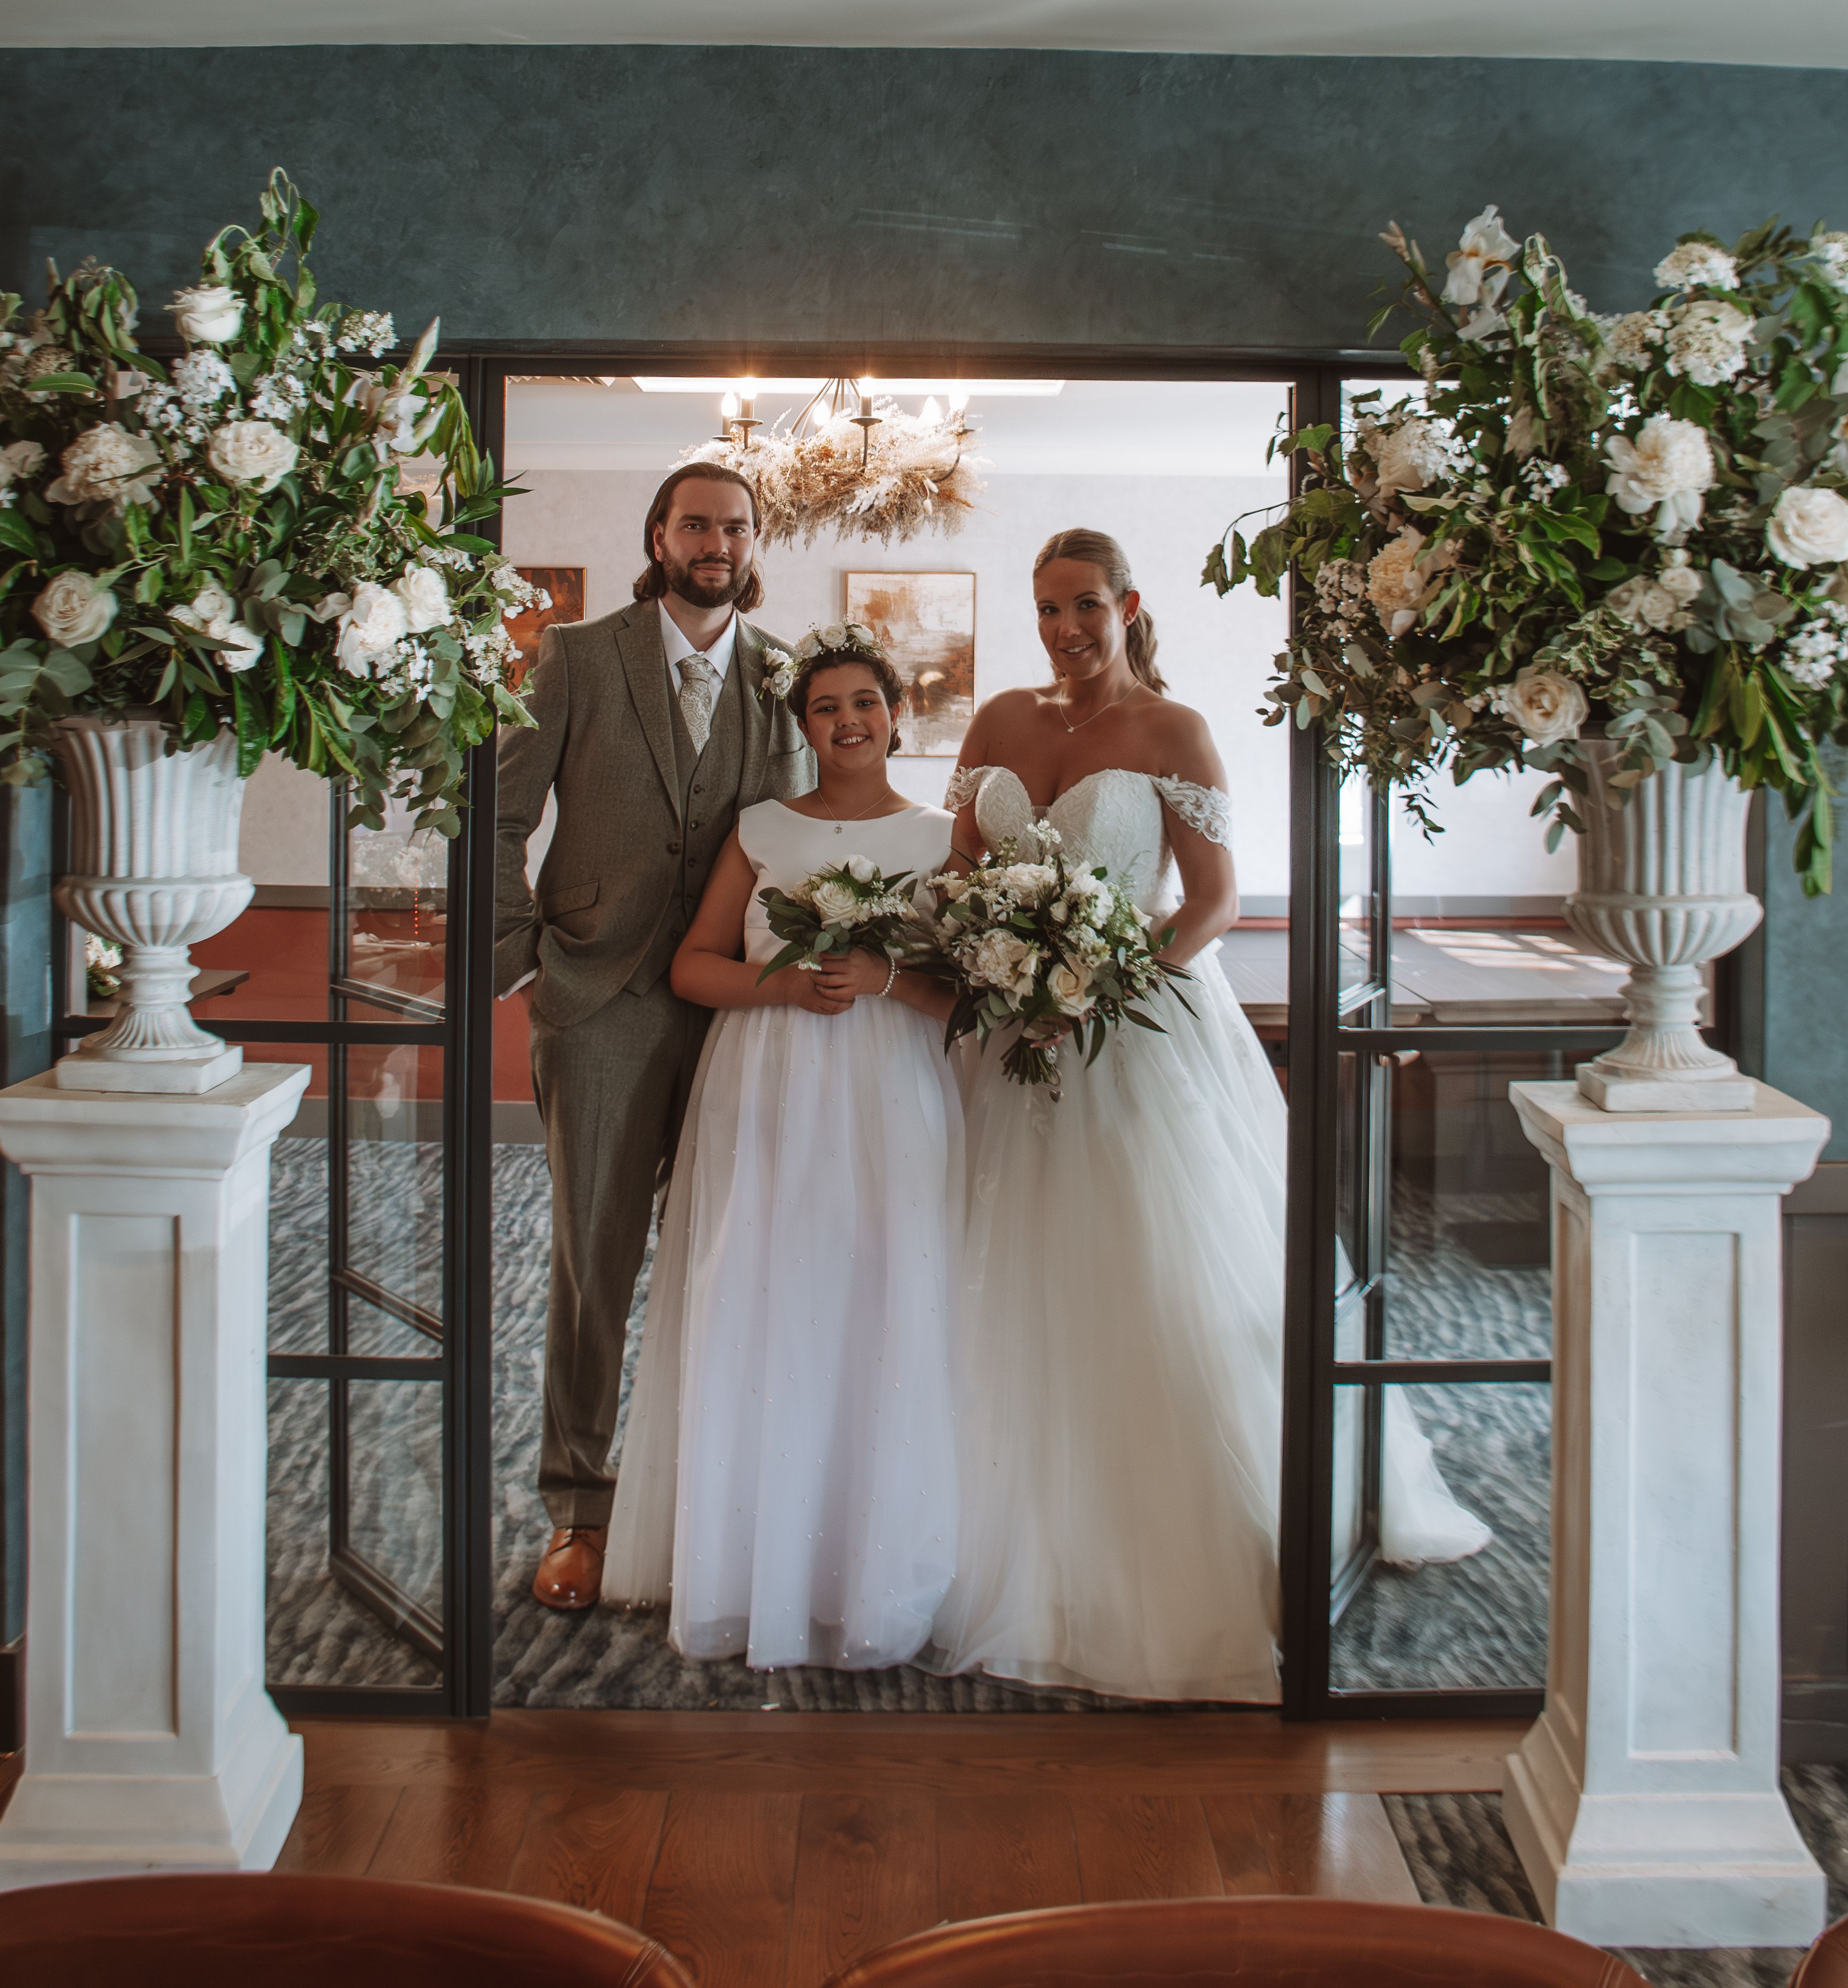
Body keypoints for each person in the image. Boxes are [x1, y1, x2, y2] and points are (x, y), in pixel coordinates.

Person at [926, 528, 1488, 1702]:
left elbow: (1215, 903)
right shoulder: (998, 725)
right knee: (986, 1273)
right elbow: (960, 869)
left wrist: (1096, 985)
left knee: (1146, 1273)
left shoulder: (1174, 733)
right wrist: (987, 958)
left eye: (1083, 606)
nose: (1065, 631)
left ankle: (1170, 1545)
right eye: (1046, 610)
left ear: (1130, 605)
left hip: (1133, 1030)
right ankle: (963, 1524)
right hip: (1007, 1040)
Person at [602, 632, 962, 1669]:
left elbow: (960, 998)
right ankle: (745, 1567)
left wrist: (883, 979)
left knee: (879, 1304)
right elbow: (691, 967)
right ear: (800, 726)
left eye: (864, 701)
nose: (846, 721)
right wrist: (790, 984)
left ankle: (868, 1569)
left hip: (889, 1092)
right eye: (823, 708)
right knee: (761, 1298)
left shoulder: (944, 841)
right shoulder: (761, 827)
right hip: (764, 1086)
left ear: (897, 712)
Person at [495, 465, 814, 1611]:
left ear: (754, 542)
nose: (715, 542)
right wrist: (521, 953)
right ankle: (579, 1510)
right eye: (696, 523)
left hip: (741, 1007)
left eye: (735, 526)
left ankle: (714, 1499)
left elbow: (816, 829)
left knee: (735, 1262)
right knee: (595, 1263)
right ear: (659, 534)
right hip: (600, 1002)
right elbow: (502, 811)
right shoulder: (577, 659)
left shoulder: (790, 678)